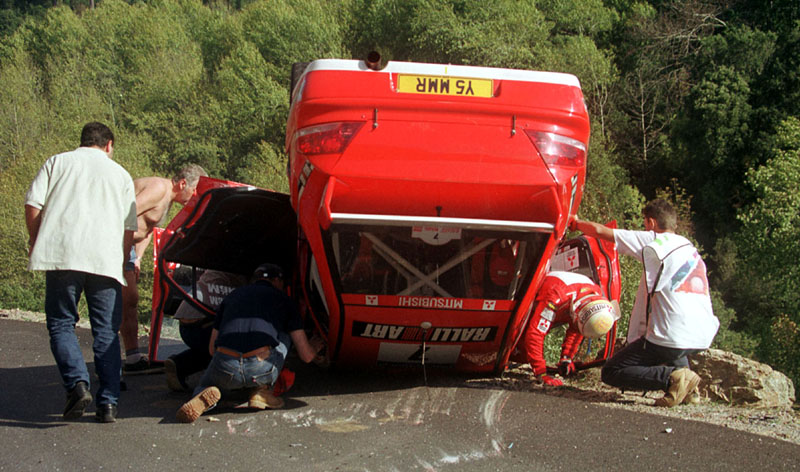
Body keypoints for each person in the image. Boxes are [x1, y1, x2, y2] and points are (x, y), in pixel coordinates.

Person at [25, 122, 138, 423]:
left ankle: (77, 384)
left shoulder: (57, 162)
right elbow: (129, 228)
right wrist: (123, 261)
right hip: (104, 260)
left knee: (62, 324)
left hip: (62, 254)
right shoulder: (121, 175)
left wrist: (36, 240)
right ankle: (109, 403)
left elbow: (33, 204)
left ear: (83, 141)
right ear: (109, 145)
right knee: (106, 332)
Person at [571, 199, 720, 407]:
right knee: (674, 348)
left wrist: (574, 223)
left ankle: (672, 378)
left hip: (670, 334)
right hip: (701, 333)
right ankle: (690, 391)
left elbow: (600, 231)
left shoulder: (654, 240)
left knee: (613, 371)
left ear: (650, 222)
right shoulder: (690, 249)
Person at [176, 263, 323, 423]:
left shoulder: (231, 297)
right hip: (260, 368)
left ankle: (206, 394)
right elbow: (306, 356)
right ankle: (263, 391)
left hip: (225, 366)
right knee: (285, 335)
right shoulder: (285, 300)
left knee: (207, 384)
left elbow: (212, 349)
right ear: (276, 281)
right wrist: (315, 347)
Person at [121, 164, 207, 374]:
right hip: (116, 244)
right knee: (119, 301)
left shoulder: (167, 201)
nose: (195, 196)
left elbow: (147, 229)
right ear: (183, 183)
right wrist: (122, 255)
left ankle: (133, 357)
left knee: (130, 300)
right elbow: (125, 213)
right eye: (195, 190)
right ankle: (113, 359)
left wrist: (137, 257)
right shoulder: (159, 188)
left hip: (128, 249)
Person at [512, 271, 617, 387]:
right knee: (518, 349)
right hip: (542, 293)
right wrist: (541, 372)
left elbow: (577, 330)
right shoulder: (555, 296)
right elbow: (535, 334)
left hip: (565, 295)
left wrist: (566, 358)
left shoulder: (595, 299)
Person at [165, 269, 247, 392]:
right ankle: (225, 381)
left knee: (208, 347)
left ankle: (180, 365)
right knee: (239, 338)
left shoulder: (214, 262)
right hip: (205, 325)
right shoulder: (244, 268)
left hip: (185, 324)